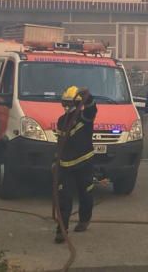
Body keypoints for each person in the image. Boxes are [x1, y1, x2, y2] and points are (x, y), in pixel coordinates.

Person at [54, 86, 97, 244]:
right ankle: (61, 230)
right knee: (64, 198)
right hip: (65, 165)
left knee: (86, 194)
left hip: (84, 163)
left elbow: (92, 110)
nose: (67, 107)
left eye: (69, 103)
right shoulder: (61, 121)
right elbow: (59, 143)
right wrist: (55, 161)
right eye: (65, 104)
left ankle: (84, 220)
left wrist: (89, 98)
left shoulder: (84, 117)